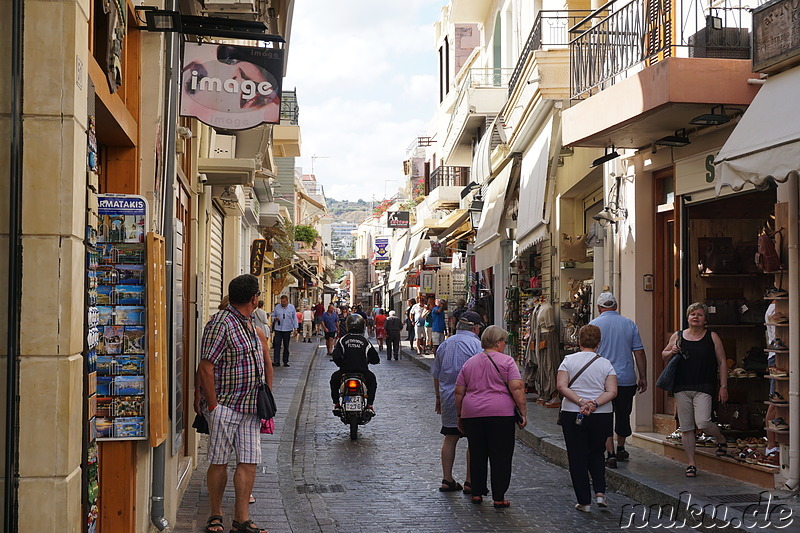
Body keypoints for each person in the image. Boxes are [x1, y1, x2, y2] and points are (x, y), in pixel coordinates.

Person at [196, 274, 272, 533]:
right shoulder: (221, 323)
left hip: (251, 407)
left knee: (249, 462)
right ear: (254, 298)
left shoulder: (250, 324)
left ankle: (241, 519)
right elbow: (205, 367)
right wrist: (214, 406)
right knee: (219, 461)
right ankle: (215, 514)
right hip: (226, 406)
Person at [455, 326, 527, 508]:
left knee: (477, 453)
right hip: (500, 414)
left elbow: (458, 392)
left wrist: (460, 414)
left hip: (472, 414)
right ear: (497, 342)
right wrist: (523, 412)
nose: (505, 344)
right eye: (504, 341)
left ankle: (477, 493)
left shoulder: (469, 363)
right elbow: (517, 388)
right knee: (500, 455)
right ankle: (498, 496)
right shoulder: (508, 362)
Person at [661, 302, 729, 478]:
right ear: (687, 317)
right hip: (681, 386)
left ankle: (720, 439)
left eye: (699, 314)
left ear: (705, 319)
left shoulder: (712, 337)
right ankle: (691, 464)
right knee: (686, 427)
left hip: (704, 386)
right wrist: (671, 352)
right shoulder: (678, 336)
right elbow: (663, 354)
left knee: (704, 422)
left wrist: (723, 386)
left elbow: (722, 362)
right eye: (692, 314)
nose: (695, 317)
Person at [557, 324, 618, 512]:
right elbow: (612, 391)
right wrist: (595, 404)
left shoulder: (568, 360)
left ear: (578, 341)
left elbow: (561, 386)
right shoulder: (606, 364)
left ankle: (584, 501)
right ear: (599, 343)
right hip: (601, 415)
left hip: (572, 413)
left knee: (577, 457)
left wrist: (581, 401)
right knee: (597, 453)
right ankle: (600, 493)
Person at [588, 291, 647, 468]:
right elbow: (639, 352)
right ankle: (621, 447)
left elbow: (588, 353)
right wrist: (643, 376)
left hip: (602, 380)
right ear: (616, 306)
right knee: (623, 414)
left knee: (605, 416)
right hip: (625, 378)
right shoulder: (629, 324)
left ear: (599, 308)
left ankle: (610, 453)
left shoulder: (593, 325)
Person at [432, 311, 484, 494]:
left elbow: (436, 374)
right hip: (471, 398)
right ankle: (470, 481)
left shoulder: (445, 344)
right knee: (473, 439)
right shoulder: (477, 345)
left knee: (450, 436)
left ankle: (447, 478)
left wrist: (438, 397)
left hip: (448, 396)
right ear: (475, 328)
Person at [330, 314, 380, 415]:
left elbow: (336, 356)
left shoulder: (342, 340)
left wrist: (341, 364)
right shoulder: (365, 341)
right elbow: (375, 358)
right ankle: (369, 405)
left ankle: (337, 404)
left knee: (334, 381)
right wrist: (371, 361)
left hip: (345, 371)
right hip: (362, 372)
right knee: (372, 381)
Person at [271, 295, 297, 367]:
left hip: (287, 328)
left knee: (286, 345)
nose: (282, 303)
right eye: (281, 301)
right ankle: (276, 361)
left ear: (287, 301)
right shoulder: (277, 307)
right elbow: (273, 316)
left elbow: (294, 318)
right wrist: (275, 319)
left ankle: (285, 361)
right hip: (278, 329)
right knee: (277, 345)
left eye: (284, 301)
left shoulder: (291, 307)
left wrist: (296, 328)